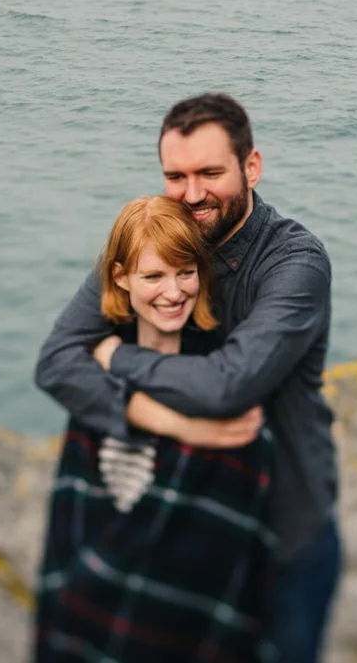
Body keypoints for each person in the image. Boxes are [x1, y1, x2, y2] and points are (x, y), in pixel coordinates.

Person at [36, 93, 340, 663]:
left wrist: (114, 358)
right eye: (176, 175)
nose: (193, 193)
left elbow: (228, 386)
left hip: (282, 531)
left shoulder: (294, 264)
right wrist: (156, 416)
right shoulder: (155, 246)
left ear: (252, 166)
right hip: (176, 523)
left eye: (210, 172)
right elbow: (56, 360)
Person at [34, 195, 277, 663]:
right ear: (121, 277)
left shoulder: (227, 377)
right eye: (153, 276)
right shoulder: (91, 379)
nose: (173, 292)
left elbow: (239, 534)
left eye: (186, 272)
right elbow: (71, 524)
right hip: (87, 616)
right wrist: (178, 426)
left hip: (192, 622)